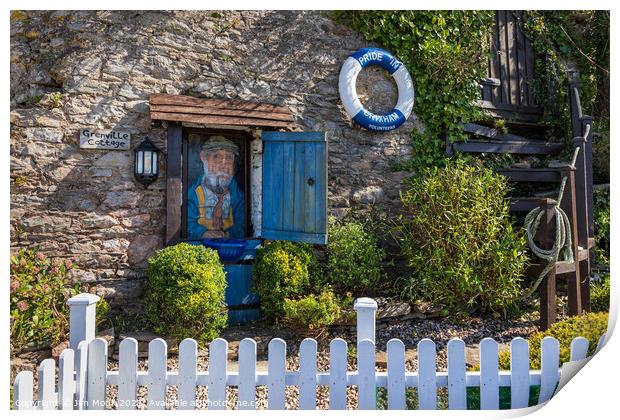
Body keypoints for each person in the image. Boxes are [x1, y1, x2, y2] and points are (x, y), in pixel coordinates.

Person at [187, 136, 245, 239]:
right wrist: (202, 233)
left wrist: (228, 235)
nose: (223, 165)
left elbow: (243, 223)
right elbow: (187, 222)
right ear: (204, 157)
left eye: (229, 158)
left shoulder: (237, 195)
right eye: (217, 157)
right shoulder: (194, 193)